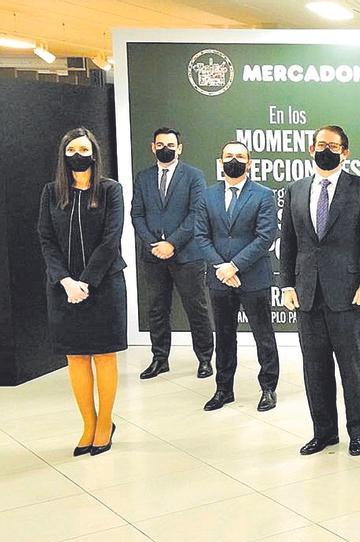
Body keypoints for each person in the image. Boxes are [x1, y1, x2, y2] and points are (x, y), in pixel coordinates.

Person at [280, 125, 360, 457]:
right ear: (311, 149)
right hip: (308, 293)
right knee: (315, 368)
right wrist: (286, 284)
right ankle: (323, 432)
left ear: (345, 152)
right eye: (321, 144)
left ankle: (357, 432)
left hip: (349, 292)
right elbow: (289, 242)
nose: (327, 150)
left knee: (351, 368)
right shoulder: (296, 190)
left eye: (334, 145)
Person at [37, 127, 126, 456]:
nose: (78, 154)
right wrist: (65, 281)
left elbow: (110, 239)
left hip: (103, 286)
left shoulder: (110, 190)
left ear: (94, 154)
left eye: (83, 148)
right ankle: (87, 423)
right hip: (63, 289)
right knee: (75, 357)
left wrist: (86, 282)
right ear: (64, 154)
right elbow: (46, 239)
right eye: (72, 149)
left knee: (103, 355)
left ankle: (105, 423)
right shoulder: (51, 192)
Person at [192, 141, 280, 413]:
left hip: (253, 277)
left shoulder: (264, 195)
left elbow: (266, 236)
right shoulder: (207, 196)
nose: (234, 160)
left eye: (240, 156)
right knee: (225, 335)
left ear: (249, 163)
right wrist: (221, 266)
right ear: (220, 161)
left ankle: (268, 388)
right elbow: (201, 236)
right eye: (229, 156)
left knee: (263, 335)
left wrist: (234, 266)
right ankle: (223, 389)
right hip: (219, 278)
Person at [131, 127, 215, 380]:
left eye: (170, 144)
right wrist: (153, 243)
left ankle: (204, 359)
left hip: (187, 254)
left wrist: (173, 244)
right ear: (153, 147)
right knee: (156, 308)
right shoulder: (143, 177)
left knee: (196, 308)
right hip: (153, 255)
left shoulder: (194, 176)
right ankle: (159, 359)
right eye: (160, 144)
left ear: (179, 148)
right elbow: (137, 214)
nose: (165, 148)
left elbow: (197, 213)